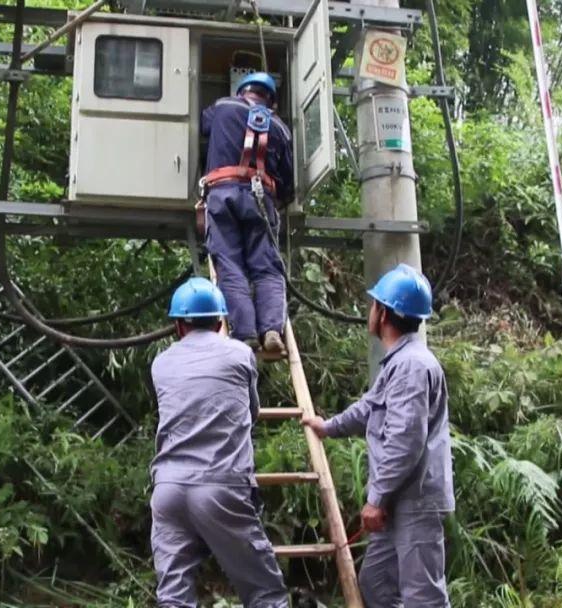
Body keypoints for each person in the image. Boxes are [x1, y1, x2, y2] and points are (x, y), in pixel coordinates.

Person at [301, 264, 454, 607]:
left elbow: (406, 439)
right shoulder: (398, 363)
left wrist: (377, 497)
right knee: (377, 584)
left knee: (423, 596)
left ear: (383, 312)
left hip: (412, 500)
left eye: (373, 305)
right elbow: (369, 408)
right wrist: (328, 427)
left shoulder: (412, 366)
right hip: (398, 501)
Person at [149, 277, 289, 608]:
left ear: (179, 325)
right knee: (264, 591)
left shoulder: (161, 363)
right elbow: (252, 412)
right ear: (221, 320)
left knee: (173, 595)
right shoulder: (240, 355)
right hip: (219, 485)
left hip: (168, 488)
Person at [200, 72, 295, 355]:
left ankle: (246, 334)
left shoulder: (222, 107)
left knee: (230, 264)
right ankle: (270, 331)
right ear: (271, 102)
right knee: (266, 268)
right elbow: (287, 184)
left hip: (222, 194)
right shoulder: (280, 128)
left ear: (242, 91)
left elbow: (199, 128)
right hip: (260, 199)